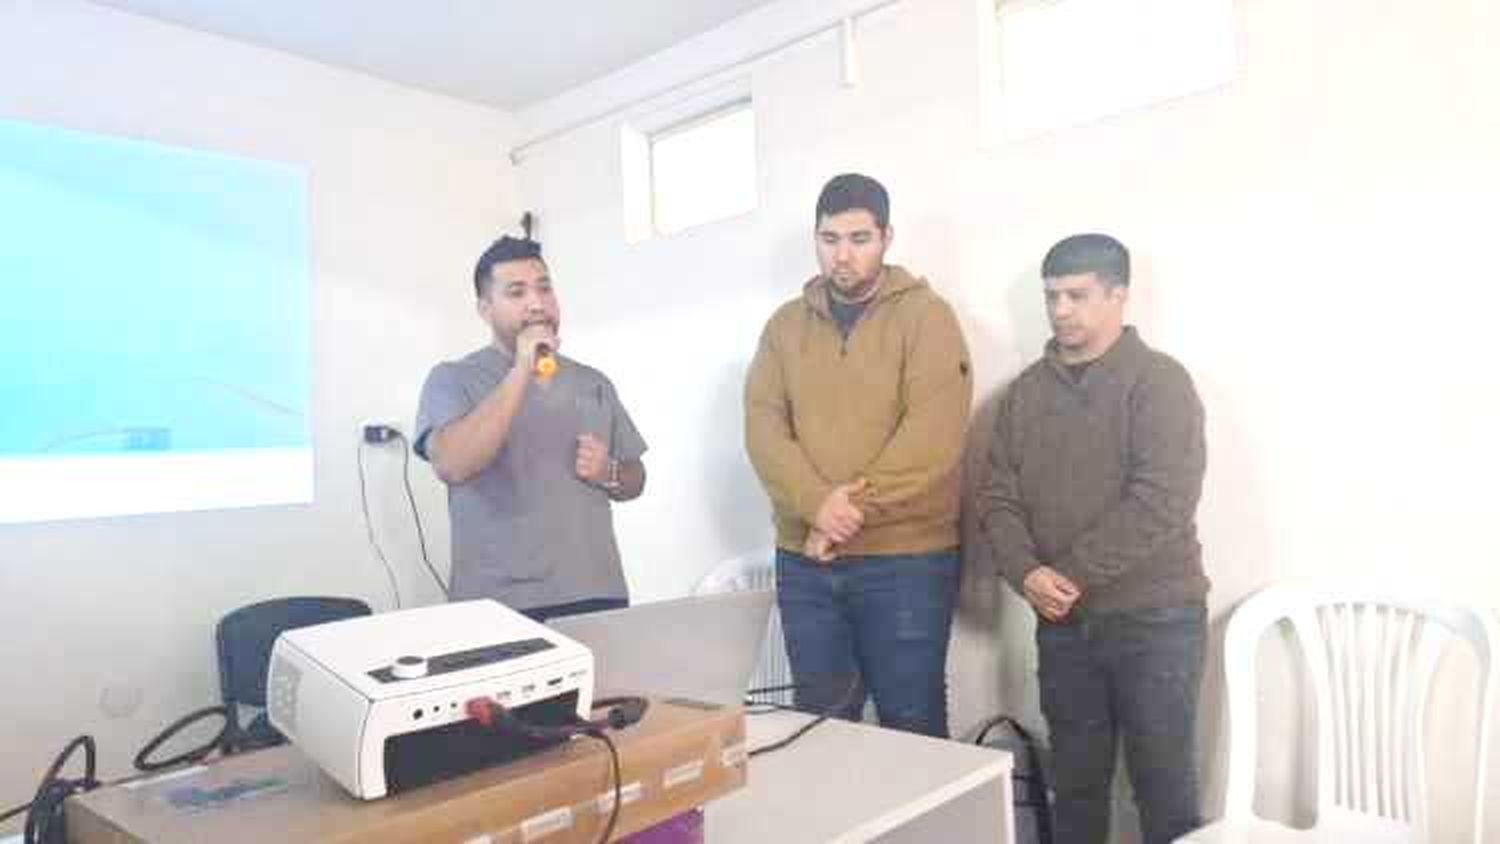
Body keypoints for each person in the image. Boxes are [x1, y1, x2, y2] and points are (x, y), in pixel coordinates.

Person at [977, 233, 1208, 844]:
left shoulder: (1160, 383)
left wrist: (1070, 574)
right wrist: (1025, 573)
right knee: (1075, 789)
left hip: (1155, 620)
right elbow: (996, 498)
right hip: (1062, 625)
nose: (1060, 310)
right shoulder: (1024, 394)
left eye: (1077, 296)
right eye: (1052, 296)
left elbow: (1163, 501)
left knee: (1166, 792)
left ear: (1118, 296)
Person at [744, 173, 972, 737]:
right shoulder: (783, 327)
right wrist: (817, 505)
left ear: (887, 237)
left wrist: (844, 515)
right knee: (820, 727)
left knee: (912, 722)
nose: (842, 255)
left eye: (859, 238)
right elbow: (763, 426)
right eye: (829, 238)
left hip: (906, 562)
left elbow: (933, 437)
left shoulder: (928, 317)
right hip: (805, 560)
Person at [414, 236, 647, 622]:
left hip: (597, 595)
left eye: (544, 288)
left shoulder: (593, 382)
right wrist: (522, 367)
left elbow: (635, 478)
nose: (537, 303)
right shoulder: (453, 379)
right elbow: (453, 464)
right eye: (516, 292)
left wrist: (608, 472)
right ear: (485, 309)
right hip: (498, 606)